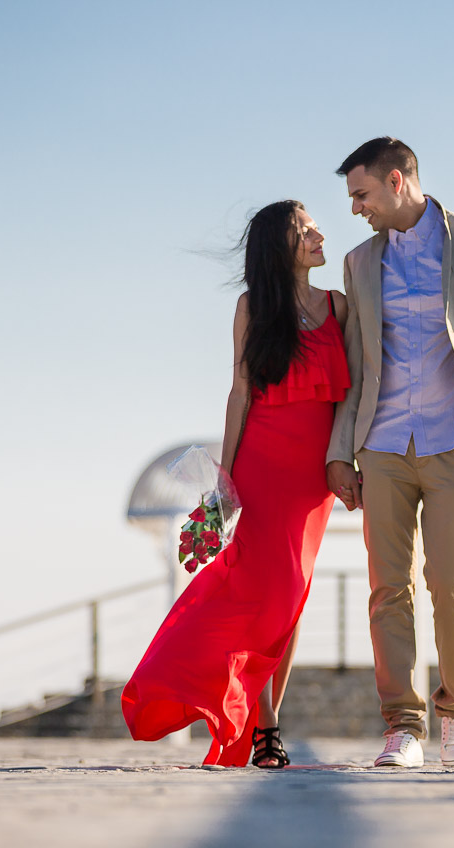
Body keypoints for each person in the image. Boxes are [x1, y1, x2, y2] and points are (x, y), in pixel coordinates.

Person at [122, 200, 349, 768]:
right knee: (270, 592)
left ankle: (259, 722)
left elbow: (354, 394)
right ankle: (266, 729)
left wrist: (348, 460)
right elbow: (240, 393)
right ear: (281, 247)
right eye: (305, 230)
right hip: (262, 465)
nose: (320, 234)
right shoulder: (252, 308)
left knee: (289, 598)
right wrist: (224, 481)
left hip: (313, 478)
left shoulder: (339, 307)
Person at [326, 137, 454, 767]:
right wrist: (340, 452)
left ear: (396, 181)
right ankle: (402, 728)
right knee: (388, 589)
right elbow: (354, 364)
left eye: (361, 194)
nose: (356, 208)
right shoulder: (360, 263)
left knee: (452, 583)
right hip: (381, 445)